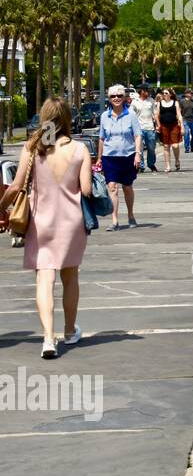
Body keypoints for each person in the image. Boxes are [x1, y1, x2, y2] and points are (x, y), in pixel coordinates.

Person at [0, 98, 93, 359]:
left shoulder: (33, 148)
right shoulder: (79, 149)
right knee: (70, 276)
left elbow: (16, 186)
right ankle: (70, 329)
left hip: (41, 221)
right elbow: (85, 189)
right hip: (72, 221)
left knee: (44, 278)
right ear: (67, 118)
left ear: (44, 118)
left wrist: (2, 206)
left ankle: (48, 339)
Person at [96, 84, 143, 230]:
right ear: (109, 99)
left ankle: (130, 215)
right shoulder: (104, 116)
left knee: (127, 187)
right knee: (112, 187)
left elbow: (137, 135)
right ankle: (114, 220)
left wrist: (137, 154)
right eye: (113, 96)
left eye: (119, 96)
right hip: (109, 156)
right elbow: (101, 138)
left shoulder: (131, 115)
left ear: (124, 98)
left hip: (128, 155)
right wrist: (99, 158)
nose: (116, 98)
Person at [131, 85, 158, 173]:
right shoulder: (135, 102)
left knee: (151, 148)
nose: (148, 92)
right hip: (139, 128)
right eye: (146, 90)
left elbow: (155, 113)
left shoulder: (151, 101)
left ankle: (151, 164)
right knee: (140, 148)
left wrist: (158, 124)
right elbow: (131, 115)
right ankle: (141, 166)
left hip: (150, 127)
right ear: (141, 91)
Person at [156, 87, 183, 172]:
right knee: (166, 146)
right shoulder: (160, 103)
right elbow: (156, 115)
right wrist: (158, 125)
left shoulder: (175, 103)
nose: (164, 95)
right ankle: (168, 165)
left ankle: (177, 160)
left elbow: (179, 115)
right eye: (163, 93)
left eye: (166, 93)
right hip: (164, 126)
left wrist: (182, 126)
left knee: (175, 145)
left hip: (174, 125)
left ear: (170, 94)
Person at [180, 89, 193, 154]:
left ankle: (192, 145)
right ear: (186, 94)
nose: (191, 94)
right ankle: (187, 148)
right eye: (190, 93)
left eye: (192, 93)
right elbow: (179, 111)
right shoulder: (182, 102)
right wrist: (179, 120)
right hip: (185, 119)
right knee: (186, 133)